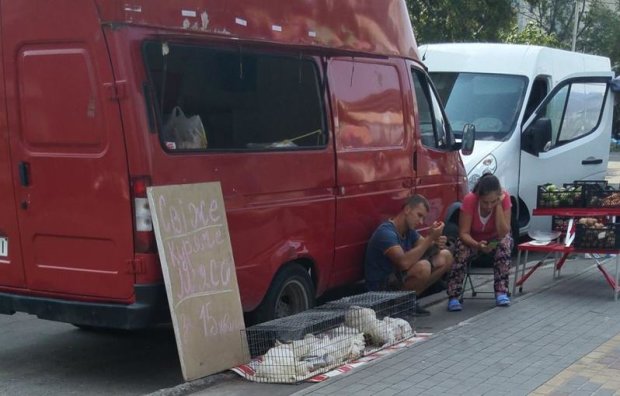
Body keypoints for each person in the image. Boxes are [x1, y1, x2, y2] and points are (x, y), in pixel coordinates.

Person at [364, 195, 454, 316]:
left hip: (396, 280)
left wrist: (437, 242)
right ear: (407, 210)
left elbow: (428, 248)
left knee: (446, 256)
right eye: (419, 215)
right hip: (381, 287)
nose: (421, 222)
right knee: (423, 267)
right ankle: (397, 305)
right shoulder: (386, 232)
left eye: (423, 218)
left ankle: (409, 301)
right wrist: (430, 239)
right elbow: (403, 263)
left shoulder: (409, 231)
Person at [446, 173, 513, 312]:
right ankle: (454, 296)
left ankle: (501, 291)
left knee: (505, 243)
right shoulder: (470, 200)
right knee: (461, 249)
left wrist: (499, 205)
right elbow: (463, 233)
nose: (489, 206)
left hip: (495, 239)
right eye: (485, 202)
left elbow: (503, 231)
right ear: (479, 197)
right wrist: (477, 245)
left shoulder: (504, 199)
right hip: (473, 241)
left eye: (493, 202)